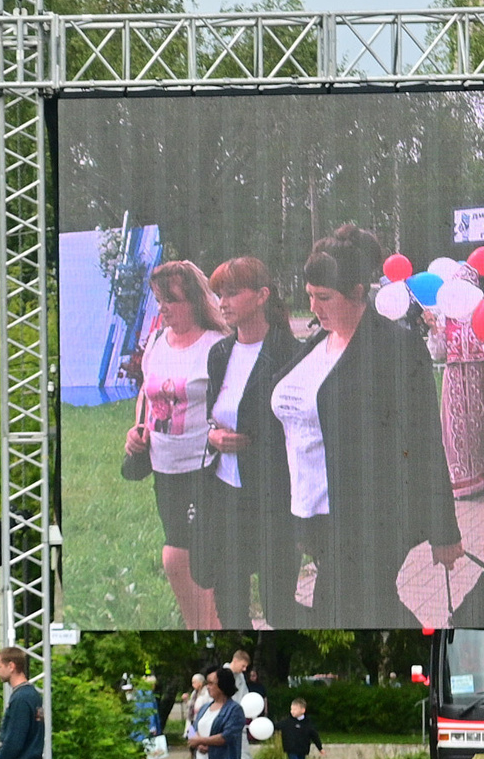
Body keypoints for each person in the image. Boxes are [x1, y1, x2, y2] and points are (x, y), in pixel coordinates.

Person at [274, 222, 463, 627]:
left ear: (358, 292)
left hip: (375, 516)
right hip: (318, 513)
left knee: (339, 608)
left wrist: (445, 530)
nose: (315, 308)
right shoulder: (315, 345)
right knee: (360, 608)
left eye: (324, 297)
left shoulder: (395, 347)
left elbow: (425, 439)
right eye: (309, 297)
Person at [120, 260, 229, 628]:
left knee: (199, 559)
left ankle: (212, 625)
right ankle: (196, 625)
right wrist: (137, 430)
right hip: (164, 465)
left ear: (196, 301)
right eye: (159, 300)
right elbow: (146, 393)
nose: (163, 308)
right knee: (174, 555)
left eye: (172, 300)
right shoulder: (156, 342)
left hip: (205, 467)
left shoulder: (217, 345)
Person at [201, 258, 306, 630]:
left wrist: (253, 444)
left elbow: (297, 428)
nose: (223, 302)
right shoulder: (218, 354)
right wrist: (213, 436)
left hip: (272, 497)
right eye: (219, 294)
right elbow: (212, 416)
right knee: (230, 600)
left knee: (278, 604)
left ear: (262, 295)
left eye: (232, 292)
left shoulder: (289, 354)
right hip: (226, 494)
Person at [274, 695, 323, 759]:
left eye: (295, 709)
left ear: (302, 710)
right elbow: (276, 726)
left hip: (302, 749)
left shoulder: (308, 723)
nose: (292, 711)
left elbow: (314, 735)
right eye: (291, 709)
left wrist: (320, 747)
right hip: (291, 748)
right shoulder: (287, 722)